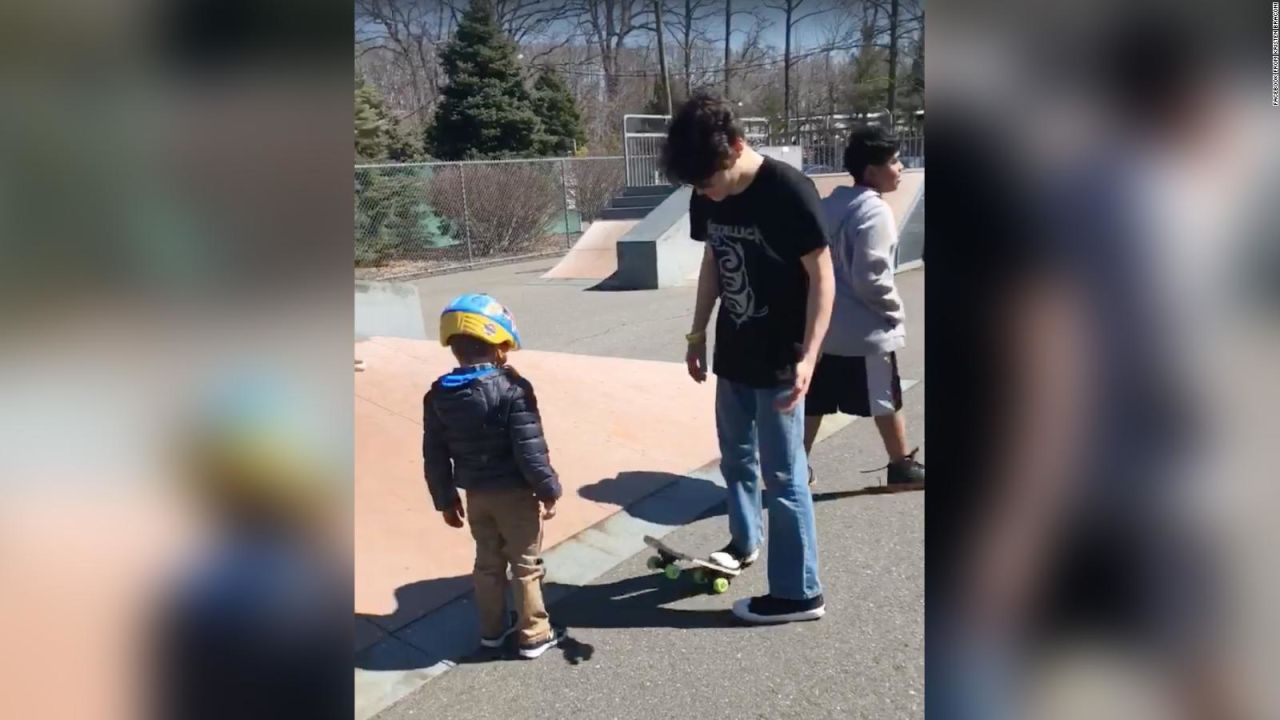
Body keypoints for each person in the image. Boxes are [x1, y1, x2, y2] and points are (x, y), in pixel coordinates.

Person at [663, 92, 835, 624]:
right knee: (735, 459)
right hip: (734, 354)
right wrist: (697, 334)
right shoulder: (704, 188)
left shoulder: (789, 190)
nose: (706, 196)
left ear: (736, 148)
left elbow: (824, 278)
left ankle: (799, 593)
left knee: (783, 478)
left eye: (711, 183)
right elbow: (715, 260)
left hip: (782, 359)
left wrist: (809, 356)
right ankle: (744, 542)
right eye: (697, 188)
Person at [422, 293, 565, 659]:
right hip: (516, 495)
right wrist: (548, 489)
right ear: (499, 344)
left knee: (487, 564)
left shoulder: (438, 394)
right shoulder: (514, 389)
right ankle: (534, 633)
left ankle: (491, 631)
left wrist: (445, 499)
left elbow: (435, 454)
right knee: (525, 564)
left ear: (454, 348)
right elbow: (530, 449)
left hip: (477, 498)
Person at [805, 126, 925, 487]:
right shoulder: (875, 212)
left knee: (814, 400)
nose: (901, 167)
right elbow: (872, 276)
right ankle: (901, 466)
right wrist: (894, 312)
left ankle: (795, 468)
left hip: (824, 327)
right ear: (871, 171)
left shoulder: (827, 206)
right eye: (894, 161)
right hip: (865, 329)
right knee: (884, 397)